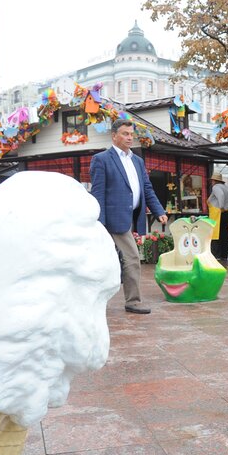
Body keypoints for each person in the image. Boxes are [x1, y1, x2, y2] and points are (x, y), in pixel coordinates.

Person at [90, 119, 168, 314]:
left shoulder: (137, 161)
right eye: (125, 134)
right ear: (114, 136)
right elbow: (98, 193)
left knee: (114, 261)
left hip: (131, 217)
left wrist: (159, 211)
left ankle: (100, 300)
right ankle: (133, 301)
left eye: (131, 134)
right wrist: (100, 224)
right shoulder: (102, 159)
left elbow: (146, 189)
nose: (129, 138)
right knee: (132, 258)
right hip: (113, 220)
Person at [207, 172, 228, 263]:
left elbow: (221, 196)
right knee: (225, 235)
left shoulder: (215, 187)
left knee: (216, 234)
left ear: (214, 181)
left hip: (219, 214)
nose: (211, 182)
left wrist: (222, 207)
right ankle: (224, 255)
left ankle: (217, 256)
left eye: (212, 181)